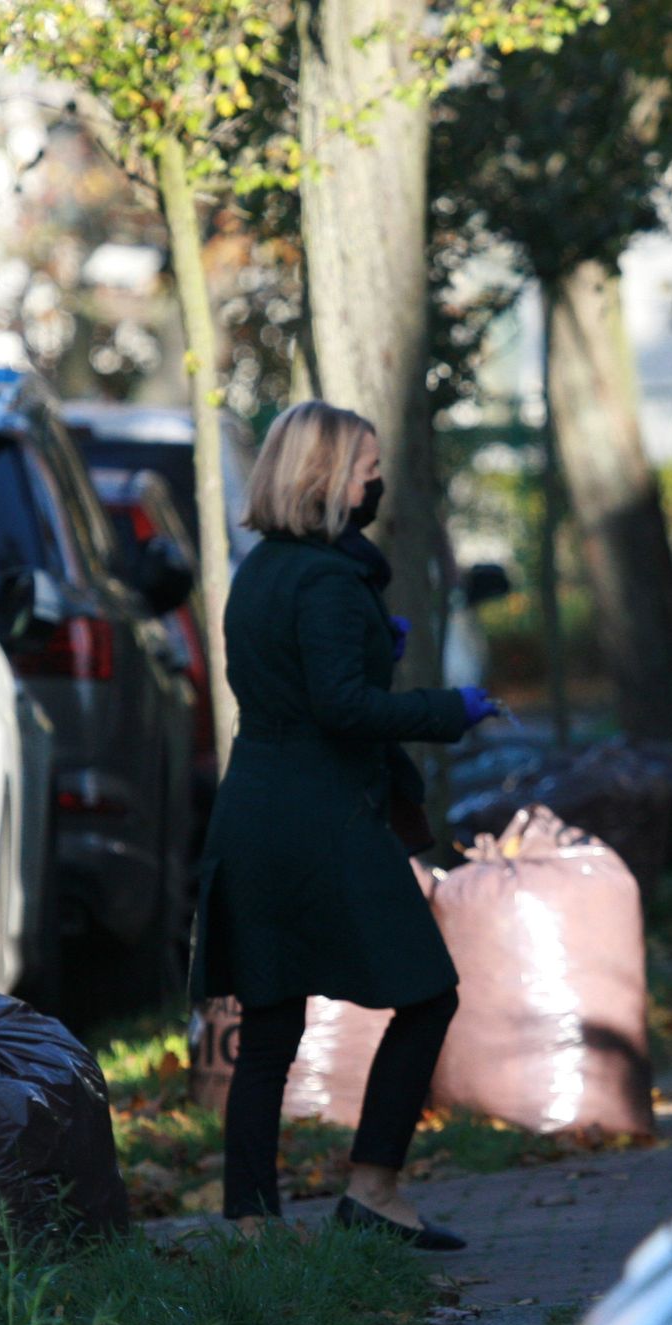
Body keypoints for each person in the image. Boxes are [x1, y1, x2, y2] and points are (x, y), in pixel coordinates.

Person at [192, 399, 500, 1249]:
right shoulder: (328, 579)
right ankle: (373, 1189)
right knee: (428, 993)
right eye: (368, 468)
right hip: (321, 820)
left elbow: (296, 678)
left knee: (270, 1025)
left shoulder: (263, 568)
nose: (377, 482)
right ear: (328, 477)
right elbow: (343, 708)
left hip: (256, 810)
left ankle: (251, 1223)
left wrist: (373, 644)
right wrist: (448, 708)